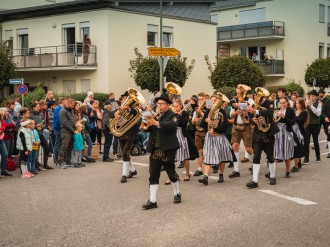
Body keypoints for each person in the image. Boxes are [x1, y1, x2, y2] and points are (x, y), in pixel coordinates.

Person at [142, 93, 181, 210]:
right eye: (158, 104)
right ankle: (152, 200)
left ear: (168, 105)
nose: (159, 106)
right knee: (153, 173)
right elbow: (149, 129)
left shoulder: (173, 115)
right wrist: (147, 123)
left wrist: (156, 123)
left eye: (162, 104)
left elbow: (172, 125)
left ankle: (177, 192)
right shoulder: (156, 115)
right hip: (155, 148)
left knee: (171, 172)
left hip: (168, 148)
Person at [245, 87, 279, 188]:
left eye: (258, 95)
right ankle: (254, 181)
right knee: (256, 157)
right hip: (257, 133)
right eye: (256, 95)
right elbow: (249, 119)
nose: (256, 96)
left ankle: (272, 176)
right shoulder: (253, 105)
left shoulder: (269, 102)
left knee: (270, 156)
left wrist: (256, 112)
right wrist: (253, 120)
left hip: (268, 132)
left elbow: (269, 112)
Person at [198, 94, 235, 185]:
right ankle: (205, 177)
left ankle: (221, 174)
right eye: (212, 100)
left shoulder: (222, 111)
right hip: (209, 137)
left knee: (221, 156)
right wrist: (205, 121)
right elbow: (202, 125)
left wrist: (215, 129)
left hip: (219, 136)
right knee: (208, 155)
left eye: (215, 100)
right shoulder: (208, 111)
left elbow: (225, 125)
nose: (213, 102)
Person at [114, 91, 141, 183]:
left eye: (126, 98)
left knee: (125, 151)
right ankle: (133, 170)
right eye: (124, 98)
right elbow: (113, 116)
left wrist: (127, 108)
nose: (124, 99)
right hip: (122, 132)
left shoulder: (134, 108)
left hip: (130, 132)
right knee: (124, 153)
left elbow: (135, 112)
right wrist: (116, 114)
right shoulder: (121, 108)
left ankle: (124, 174)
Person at [229, 84, 254, 179]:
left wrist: (241, 106)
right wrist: (236, 112)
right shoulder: (234, 101)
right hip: (236, 126)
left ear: (244, 92)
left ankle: (254, 162)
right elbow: (231, 114)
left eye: (239, 93)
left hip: (246, 126)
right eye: (237, 93)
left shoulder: (249, 100)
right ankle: (236, 170)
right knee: (235, 146)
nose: (237, 95)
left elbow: (252, 108)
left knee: (248, 148)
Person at [171, 99, 198, 182]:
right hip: (173, 135)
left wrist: (177, 116)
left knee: (185, 156)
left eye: (177, 106)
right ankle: (172, 174)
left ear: (181, 106)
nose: (175, 108)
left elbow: (184, 122)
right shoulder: (171, 113)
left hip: (182, 135)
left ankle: (187, 173)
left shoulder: (185, 113)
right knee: (171, 157)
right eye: (174, 106)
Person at [273, 96, 296, 178]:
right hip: (277, 132)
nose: (282, 104)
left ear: (287, 103)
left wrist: (284, 117)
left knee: (287, 152)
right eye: (281, 103)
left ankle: (288, 171)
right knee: (276, 151)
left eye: (283, 103)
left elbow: (293, 122)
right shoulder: (276, 110)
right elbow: (273, 121)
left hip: (287, 131)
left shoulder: (291, 111)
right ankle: (271, 172)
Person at [29, 102, 53, 170]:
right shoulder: (30, 115)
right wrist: (36, 126)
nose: (39, 108)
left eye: (39, 107)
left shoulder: (41, 114)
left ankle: (45, 164)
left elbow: (44, 123)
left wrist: (42, 126)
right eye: (37, 107)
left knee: (47, 148)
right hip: (34, 135)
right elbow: (29, 125)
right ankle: (35, 164)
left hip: (40, 133)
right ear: (33, 108)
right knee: (36, 150)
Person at [303, 90, 322, 164]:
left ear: (316, 97)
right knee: (306, 141)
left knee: (315, 141)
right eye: (310, 96)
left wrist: (311, 106)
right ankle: (306, 158)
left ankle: (318, 156)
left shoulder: (319, 104)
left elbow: (318, 114)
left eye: (313, 96)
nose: (311, 97)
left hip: (315, 125)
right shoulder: (306, 103)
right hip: (307, 125)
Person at [192, 92, 208, 176]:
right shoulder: (196, 108)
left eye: (202, 99)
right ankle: (199, 169)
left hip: (206, 132)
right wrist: (195, 120)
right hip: (198, 131)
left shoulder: (208, 107)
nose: (200, 101)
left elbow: (209, 118)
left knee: (208, 151)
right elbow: (192, 121)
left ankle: (214, 164)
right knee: (200, 151)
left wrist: (201, 112)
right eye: (199, 99)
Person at [291, 98, 308, 172]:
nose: (297, 105)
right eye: (296, 103)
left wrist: (293, 116)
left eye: (298, 103)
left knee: (297, 147)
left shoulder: (304, 112)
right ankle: (299, 162)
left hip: (299, 131)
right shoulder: (294, 110)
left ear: (302, 104)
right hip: (292, 130)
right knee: (295, 147)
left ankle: (296, 166)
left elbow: (301, 121)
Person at [58, 98, 76, 169]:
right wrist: (72, 129)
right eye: (72, 105)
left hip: (72, 131)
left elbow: (72, 119)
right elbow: (64, 123)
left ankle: (68, 161)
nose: (73, 106)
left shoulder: (70, 110)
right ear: (68, 104)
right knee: (64, 147)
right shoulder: (62, 111)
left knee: (70, 147)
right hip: (65, 132)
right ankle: (61, 162)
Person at [0, 108, 12, 177]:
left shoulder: (1, 119)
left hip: (1, 139)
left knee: (5, 154)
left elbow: (4, 125)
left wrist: (1, 129)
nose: (7, 112)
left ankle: (3, 171)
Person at [53, 97, 65, 164]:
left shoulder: (60, 108)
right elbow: (58, 119)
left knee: (59, 143)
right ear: (62, 101)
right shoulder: (58, 109)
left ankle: (59, 158)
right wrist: (61, 126)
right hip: (58, 128)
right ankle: (56, 158)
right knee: (57, 143)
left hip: (60, 128)